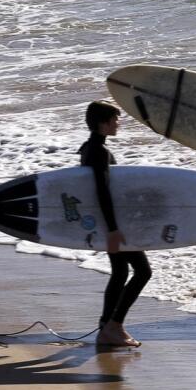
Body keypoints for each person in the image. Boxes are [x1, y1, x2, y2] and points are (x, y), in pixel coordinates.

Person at [79, 100, 152, 347]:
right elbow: (102, 191)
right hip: (112, 222)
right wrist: (112, 229)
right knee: (143, 271)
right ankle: (114, 325)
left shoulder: (88, 148)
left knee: (120, 272)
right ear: (104, 122)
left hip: (104, 221)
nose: (118, 124)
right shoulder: (99, 152)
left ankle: (106, 327)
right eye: (115, 119)